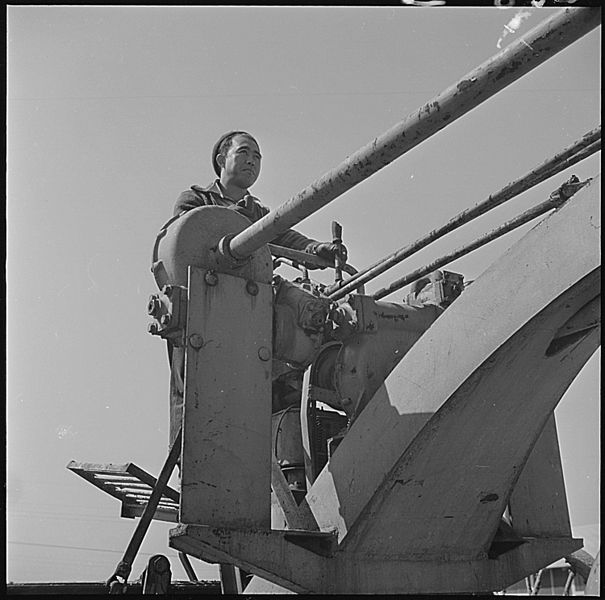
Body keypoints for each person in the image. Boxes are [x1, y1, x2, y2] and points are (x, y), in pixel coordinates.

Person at [173, 130, 347, 265]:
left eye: (257, 157)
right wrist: (231, 218)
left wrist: (316, 249)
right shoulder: (195, 200)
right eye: (243, 153)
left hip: (254, 292)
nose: (251, 161)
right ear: (221, 160)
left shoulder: (257, 213)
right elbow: (182, 243)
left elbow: (287, 238)